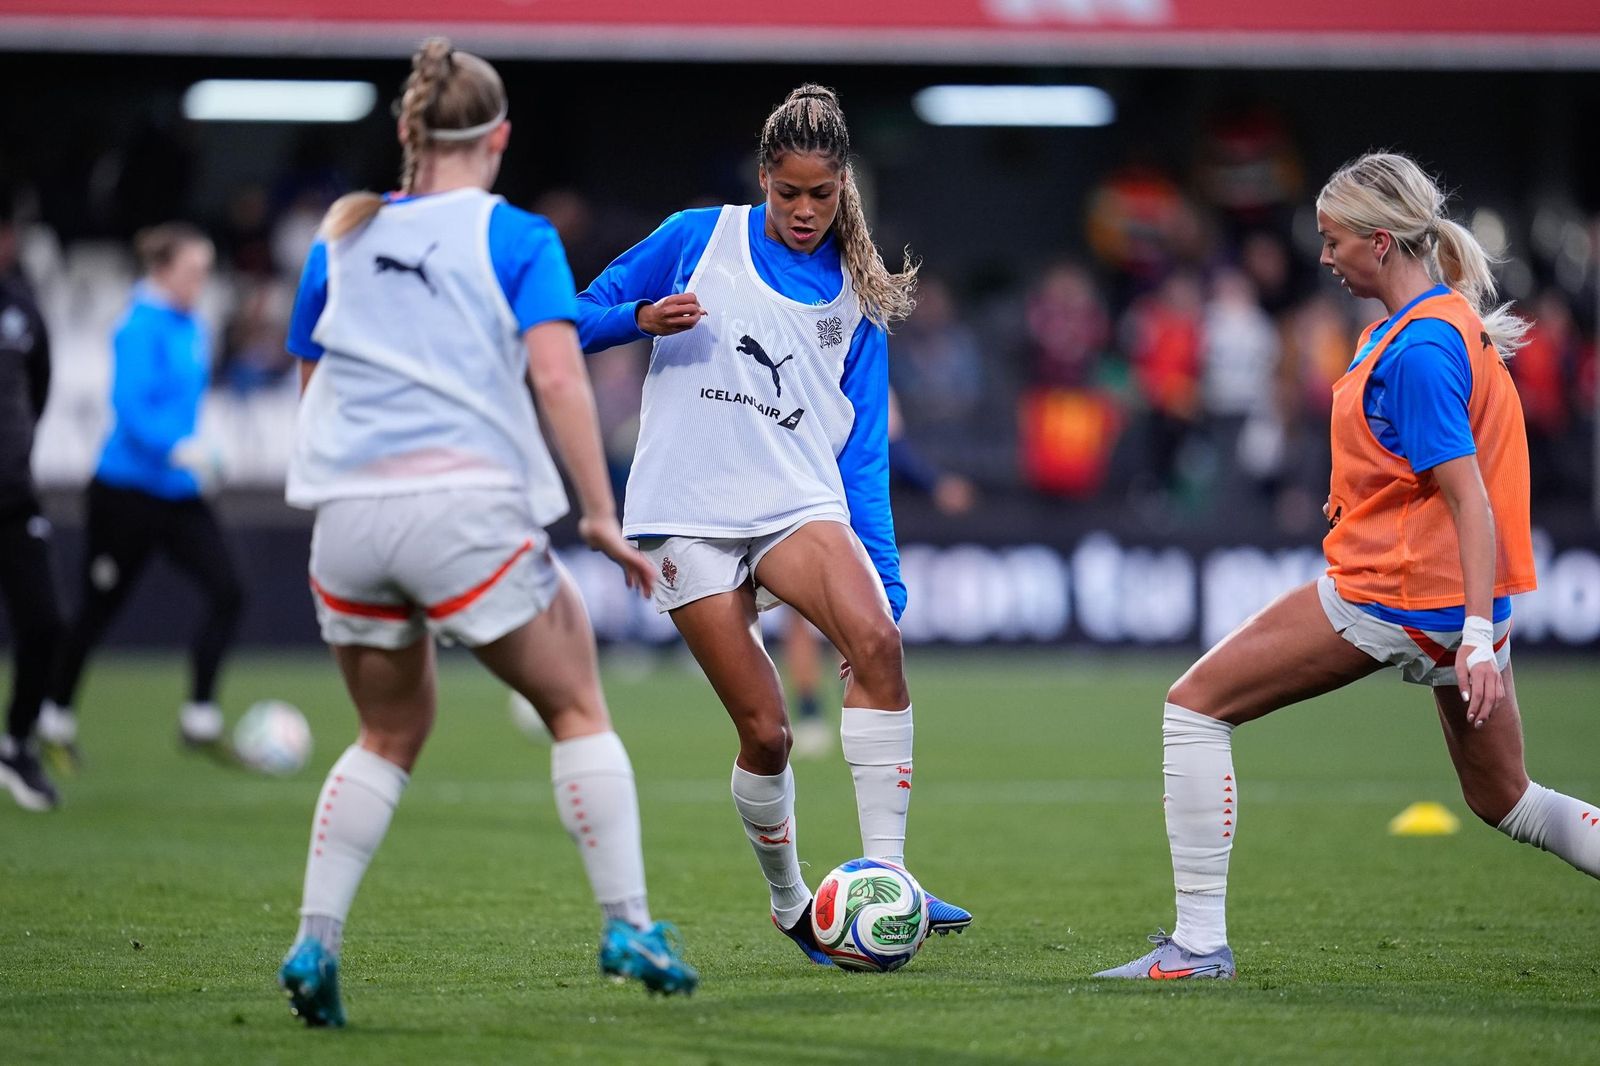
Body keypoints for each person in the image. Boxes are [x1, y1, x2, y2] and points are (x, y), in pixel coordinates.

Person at [1095, 153, 1599, 981]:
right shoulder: (1438, 323)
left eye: (1333, 241)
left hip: (1400, 592)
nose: (1323, 257)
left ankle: (1194, 949)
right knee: (1507, 799)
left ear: (1379, 241)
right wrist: (1479, 627)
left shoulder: (1421, 350)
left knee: (1193, 708)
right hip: (1459, 601)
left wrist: (1472, 636)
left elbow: (1469, 501)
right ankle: (1193, 949)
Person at [275, 40, 697, 1025]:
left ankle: (312, 939)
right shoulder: (517, 237)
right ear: (498, 137)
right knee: (577, 704)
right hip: (458, 506)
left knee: (385, 731)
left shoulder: (337, 240)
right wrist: (598, 511)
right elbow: (556, 376)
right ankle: (628, 921)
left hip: (346, 520)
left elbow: (312, 388)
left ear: (408, 134)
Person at [576, 84, 972, 964]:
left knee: (877, 640)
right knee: (767, 732)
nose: (802, 211)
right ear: (763, 179)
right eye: (787, 193)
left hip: (796, 500)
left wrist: (888, 578)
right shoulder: (695, 238)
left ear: (844, 189)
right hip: (687, 510)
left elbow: (863, 453)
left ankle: (886, 877)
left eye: (820, 195)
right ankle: (792, 902)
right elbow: (565, 319)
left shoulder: (859, 297)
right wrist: (638, 318)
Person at [38, 222, 244, 758]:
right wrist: (181, 447)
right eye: (194, 268)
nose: (203, 279)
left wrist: (198, 448)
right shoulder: (137, 325)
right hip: (125, 492)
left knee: (229, 591)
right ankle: (54, 714)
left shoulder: (191, 325)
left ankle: (199, 714)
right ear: (163, 269)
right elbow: (129, 409)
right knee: (99, 607)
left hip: (178, 493)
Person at [0, 188, 65, 810]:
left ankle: (16, 744)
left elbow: (41, 386)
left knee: (45, 625)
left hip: (14, 499)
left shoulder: (22, 306)